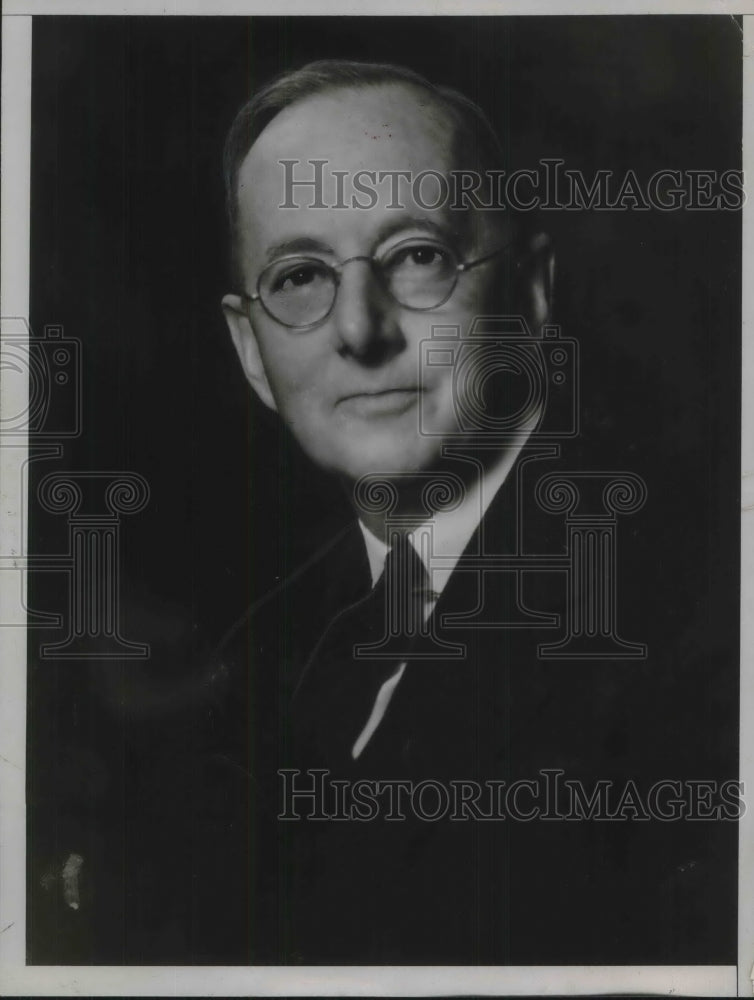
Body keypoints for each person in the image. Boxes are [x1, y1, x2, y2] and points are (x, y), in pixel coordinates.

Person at [28, 58, 737, 968]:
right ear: (251, 353)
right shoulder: (248, 663)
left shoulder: (697, 611)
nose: (359, 329)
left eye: (416, 256)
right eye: (298, 276)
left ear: (528, 292)